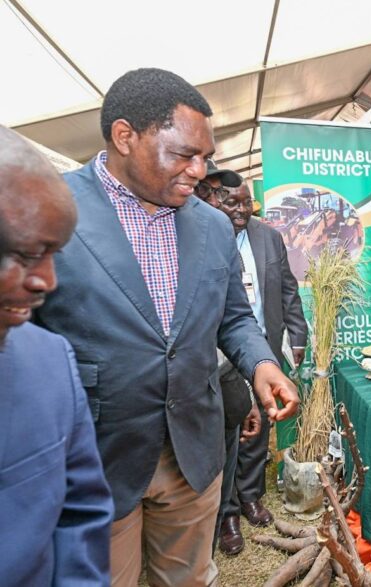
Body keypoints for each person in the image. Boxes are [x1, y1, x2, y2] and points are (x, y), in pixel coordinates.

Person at [33, 68, 300, 587]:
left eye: (206, 157)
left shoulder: (212, 225)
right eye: (184, 155)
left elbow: (235, 316)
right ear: (126, 137)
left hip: (192, 455)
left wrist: (263, 363)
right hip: (94, 460)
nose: (200, 171)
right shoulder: (51, 208)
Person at [0, 125, 113, 585]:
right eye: (29, 255)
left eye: (54, 256)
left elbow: (80, 514)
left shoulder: (49, 360)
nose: (48, 281)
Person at [200, 177, 308, 555]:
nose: (243, 210)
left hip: (262, 349)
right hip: (218, 356)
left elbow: (288, 291)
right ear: (211, 198)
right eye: (233, 202)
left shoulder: (268, 238)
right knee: (229, 431)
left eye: (247, 203)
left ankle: (250, 496)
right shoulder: (201, 235)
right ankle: (227, 512)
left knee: (261, 428)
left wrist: (297, 337)